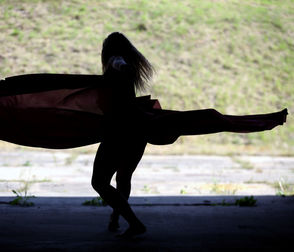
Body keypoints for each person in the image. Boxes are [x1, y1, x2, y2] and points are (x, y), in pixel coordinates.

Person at [91, 32, 288, 238]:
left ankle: (133, 222)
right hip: (138, 131)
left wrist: (119, 65)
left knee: (99, 182)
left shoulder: (115, 61)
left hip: (121, 132)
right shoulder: (123, 68)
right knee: (124, 177)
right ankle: (117, 219)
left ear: (109, 51)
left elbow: (121, 66)